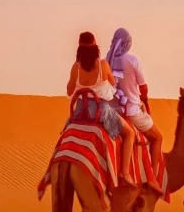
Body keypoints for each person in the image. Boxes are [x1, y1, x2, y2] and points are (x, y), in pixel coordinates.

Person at [66, 31, 131, 165]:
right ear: (95, 45)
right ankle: (125, 172)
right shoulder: (103, 65)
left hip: (80, 111)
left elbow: (69, 91)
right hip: (101, 111)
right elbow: (113, 83)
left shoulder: (75, 67)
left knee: (64, 138)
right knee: (130, 134)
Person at [105, 27, 163, 171]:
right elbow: (143, 87)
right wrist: (145, 99)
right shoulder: (132, 60)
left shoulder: (107, 60)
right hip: (130, 111)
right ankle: (153, 176)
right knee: (157, 138)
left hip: (111, 111)